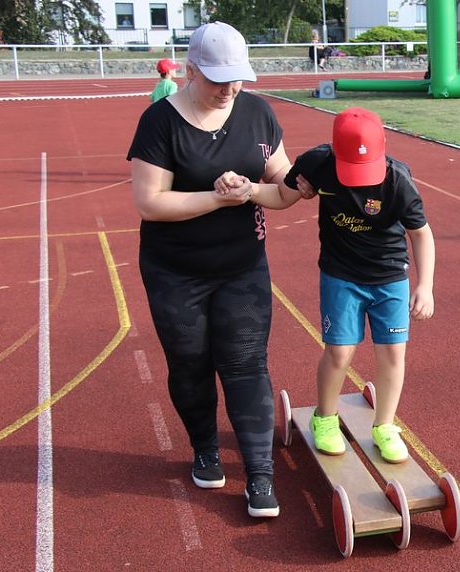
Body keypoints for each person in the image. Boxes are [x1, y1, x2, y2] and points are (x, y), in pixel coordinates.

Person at [127, 22, 304, 519]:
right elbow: (149, 203)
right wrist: (219, 196)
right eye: (218, 79)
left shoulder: (258, 113)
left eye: (238, 79)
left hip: (242, 266)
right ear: (190, 71)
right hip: (174, 271)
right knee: (190, 364)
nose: (230, 89)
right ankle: (204, 448)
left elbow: (279, 187)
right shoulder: (160, 121)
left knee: (247, 363)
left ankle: (261, 475)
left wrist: (301, 182)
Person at [283, 107, 436, 464]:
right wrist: (248, 191)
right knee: (340, 351)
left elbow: (421, 233)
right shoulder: (317, 163)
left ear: (383, 147)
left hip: (389, 277)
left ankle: (384, 426)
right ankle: (325, 418)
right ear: (335, 151)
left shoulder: (398, 179)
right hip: (341, 275)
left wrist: (425, 285)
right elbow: (282, 195)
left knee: (393, 353)